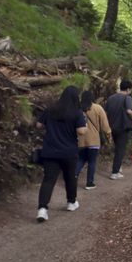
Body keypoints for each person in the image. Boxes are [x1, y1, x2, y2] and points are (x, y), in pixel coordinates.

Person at [35, 85, 87, 222]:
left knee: (48, 179)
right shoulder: (77, 112)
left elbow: (38, 125)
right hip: (69, 152)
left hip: (50, 151)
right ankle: (71, 202)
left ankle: (42, 209)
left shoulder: (51, 109)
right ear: (76, 97)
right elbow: (81, 131)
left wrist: (50, 127)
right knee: (70, 177)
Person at [104, 79, 132, 179]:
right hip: (123, 127)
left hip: (112, 127)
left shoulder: (111, 98)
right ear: (128, 89)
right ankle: (115, 173)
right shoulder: (127, 98)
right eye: (131, 89)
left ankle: (118, 167)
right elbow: (129, 111)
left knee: (117, 148)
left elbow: (106, 112)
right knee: (120, 149)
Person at [76, 90, 112, 190]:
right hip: (94, 140)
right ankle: (89, 183)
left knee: (81, 159)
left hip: (81, 140)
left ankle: (73, 177)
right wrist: (109, 134)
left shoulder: (78, 109)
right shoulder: (97, 108)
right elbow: (105, 125)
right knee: (92, 161)